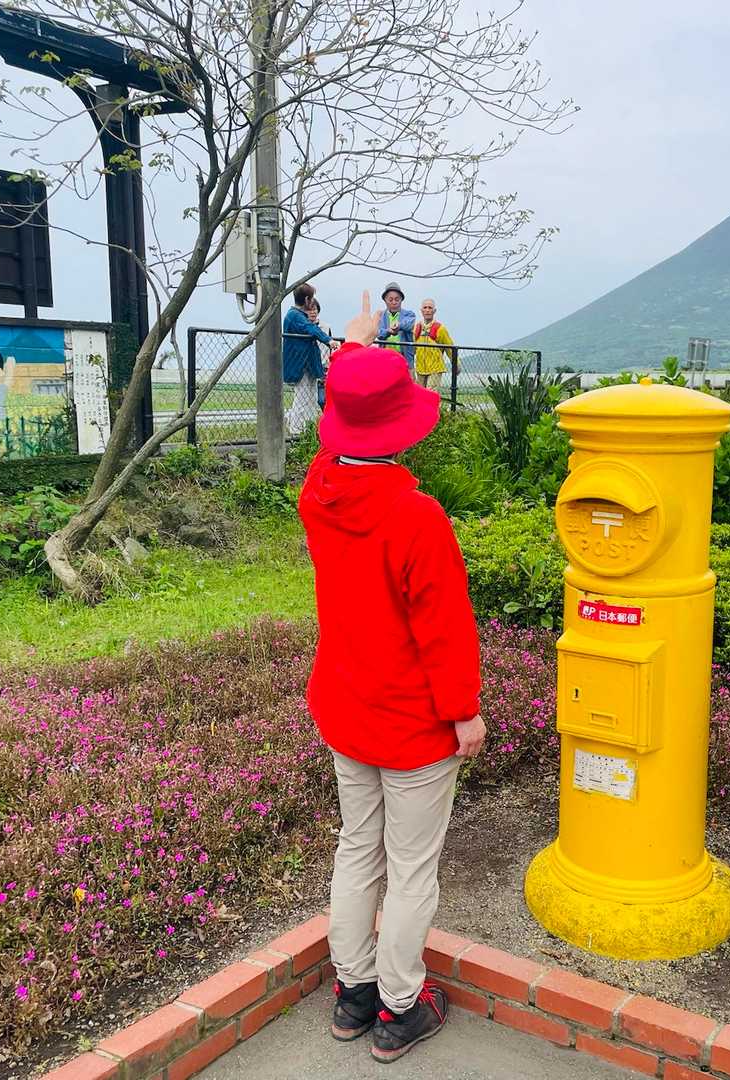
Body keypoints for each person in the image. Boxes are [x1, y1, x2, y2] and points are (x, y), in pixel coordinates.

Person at [299, 291, 485, 1064]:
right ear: (403, 426)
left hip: (346, 709)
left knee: (357, 848)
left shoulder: (319, 492)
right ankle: (401, 1007)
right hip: (413, 723)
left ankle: (353, 992)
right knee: (411, 869)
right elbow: (445, 631)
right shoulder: (417, 517)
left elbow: (336, 435)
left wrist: (351, 350)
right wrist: (464, 712)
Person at [283, 282, 332, 435]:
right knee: (302, 398)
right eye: (311, 298)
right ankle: (296, 431)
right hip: (301, 364)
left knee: (311, 397)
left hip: (307, 364)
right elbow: (310, 328)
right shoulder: (295, 316)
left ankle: (308, 429)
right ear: (306, 300)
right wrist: (329, 340)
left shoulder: (297, 316)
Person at [412, 299, 456, 393]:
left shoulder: (440, 328)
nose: (427, 310)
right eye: (425, 308)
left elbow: (450, 348)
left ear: (434, 311)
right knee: (420, 393)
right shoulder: (417, 328)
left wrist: (455, 364)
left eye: (430, 308)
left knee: (430, 393)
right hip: (420, 367)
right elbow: (412, 349)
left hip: (435, 367)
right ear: (421, 310)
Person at [375, 281, 416, 373]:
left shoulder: (409, 314)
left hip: (404, 358)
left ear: (401, 300)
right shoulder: (380, 316)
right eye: (390, 300)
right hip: (386, 359)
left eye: (397, 299)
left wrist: (399, 326)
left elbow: (409, 324)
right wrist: (388, 331)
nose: (394, 302)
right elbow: (379, 334)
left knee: (408, 381)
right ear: (385, 300)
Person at [306, 296, 334, 411]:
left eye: (315, 309)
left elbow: (331, 346)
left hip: (323, 364)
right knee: (308, 396)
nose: (313, 312)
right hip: (308, 364)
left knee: (322, 399)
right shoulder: (304, 327)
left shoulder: (326, 327)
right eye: (310, 310)